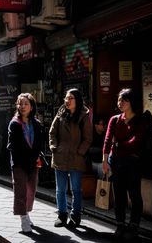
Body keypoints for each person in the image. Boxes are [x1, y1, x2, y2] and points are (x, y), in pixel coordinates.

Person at [102, 88, 146, 240]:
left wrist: (119, 144)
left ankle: (134, 225)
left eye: (124, 100)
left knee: (134, 194)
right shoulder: (114, 119)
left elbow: (135, 142)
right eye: (119, 100)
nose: (120, 103)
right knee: (119, 195)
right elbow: (108, 141)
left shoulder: (140, 120)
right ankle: (120, 224)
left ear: (132, 102)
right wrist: (104, 160)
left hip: (133, 163)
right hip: (116, 162)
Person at [49, 88, 92, 227]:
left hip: (76, 157)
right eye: (66, 98)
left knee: (76, 189)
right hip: (60, 156)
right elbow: (52, 132)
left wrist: (80, 151)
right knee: (60, 189)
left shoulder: (84, 116)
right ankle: (62, 214)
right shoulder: (61, 113)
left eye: (70, 98)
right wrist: (54, 147)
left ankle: (75, 215)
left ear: (77, 100)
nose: (67, 101)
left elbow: (88, 138)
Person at [7, 93, 44, 233]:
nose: (22, 106)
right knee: (21, 190)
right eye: (20, 104)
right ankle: (23, 218)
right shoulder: (14, 124)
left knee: (31, 191)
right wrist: (24, 160)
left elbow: (39, 144)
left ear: (31, 106)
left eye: (26, 104)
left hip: (33, 162)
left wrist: (34, 157)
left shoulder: (37, 123)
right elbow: (13, 146)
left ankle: (26, 212)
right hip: (19, 163)